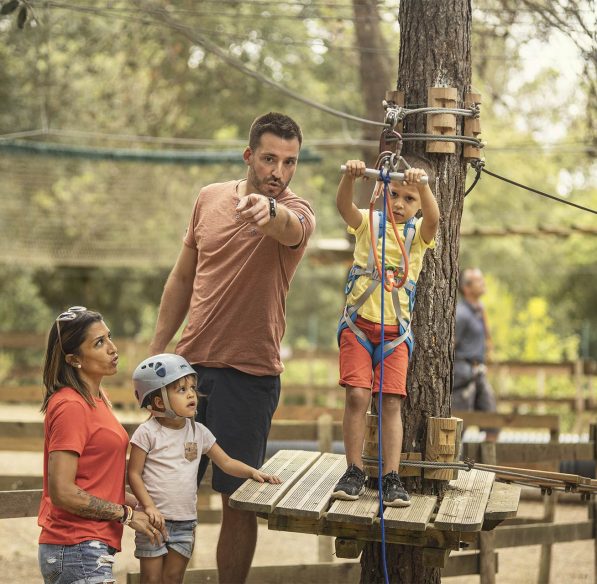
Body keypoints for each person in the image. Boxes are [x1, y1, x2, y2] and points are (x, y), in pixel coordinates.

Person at [148, 112, 315, 583]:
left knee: (239, 500)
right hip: (186, 371)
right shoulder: (209, 199)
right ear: (249, 156)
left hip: (251, 377)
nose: (278, 172)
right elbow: (183, 277)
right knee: (167, 494)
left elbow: (290, 227)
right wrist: (158, 351)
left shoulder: (298, 211)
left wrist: (269, 212)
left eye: (289, 162)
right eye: (268, 159)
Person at [332, 158, 440, 507]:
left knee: (391, 402)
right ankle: (353, 469)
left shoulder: (417, 237)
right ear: (383, 191)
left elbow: (435, 220)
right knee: (358, 397)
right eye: (394, 194)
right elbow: (344, 207)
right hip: (358, 327)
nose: (399, 203)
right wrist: (350, 178)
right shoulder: (369, 222)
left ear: (420, 204)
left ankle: (391, 476)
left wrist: (421, 184)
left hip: (395, 334)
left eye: (410, 199)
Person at [38, 306, 166, 584]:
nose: (112, 348)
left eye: (108, 337)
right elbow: (62, 492)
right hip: (75, 547)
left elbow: (96, 480)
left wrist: (142, 505)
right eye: (99, 343)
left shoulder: (97, 399)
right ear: (73, 359)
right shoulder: (70, 405)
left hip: (89, 549)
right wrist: (127, 514)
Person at [127, 353, 281, 584]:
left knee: (173, 577)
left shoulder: (199, 432)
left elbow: (226, 462)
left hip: (185, 522)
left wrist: (252, 472)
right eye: (181, 389)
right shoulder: (146, 433)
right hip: (153, 520)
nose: (191, 394)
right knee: (151, 578)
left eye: (192, 387)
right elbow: (133, 473)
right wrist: (148, 507)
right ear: (159, 402)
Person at [453, 268, 499, 441]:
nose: (483, 283)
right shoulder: (461, 314)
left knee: (493, 422)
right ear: (467, 288)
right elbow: (451, 346)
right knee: (459, 426)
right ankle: (452, 466)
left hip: (479, 373)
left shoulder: (479, 310)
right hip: (463, 377)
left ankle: (488, 466)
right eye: (478, 281)